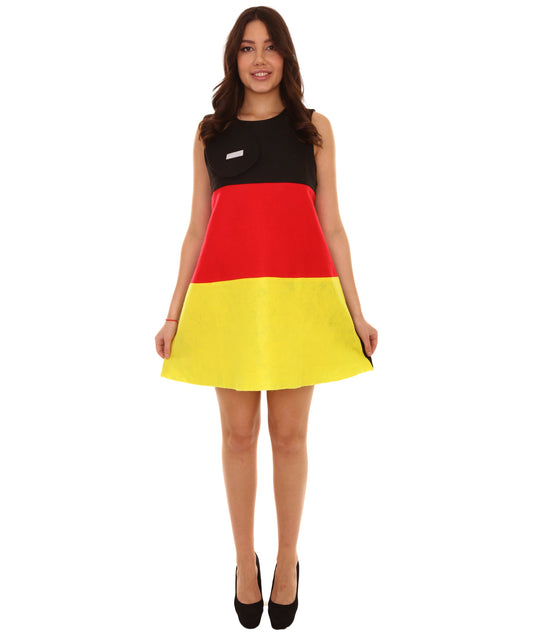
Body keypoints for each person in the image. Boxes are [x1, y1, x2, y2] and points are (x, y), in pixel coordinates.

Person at [155, 6, 378, 629]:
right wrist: (172, 314)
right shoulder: (209, 132)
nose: (259, 59)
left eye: (271, 46)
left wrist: (357, 313)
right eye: (248, 47)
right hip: (226, 302)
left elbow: (333, 227)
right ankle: (243, 563)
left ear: (286, 56)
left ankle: (286, 561)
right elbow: (196, 230)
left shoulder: (314, 129)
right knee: (237, 437)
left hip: (298, 301)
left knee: (289, 437)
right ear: (234, 58)